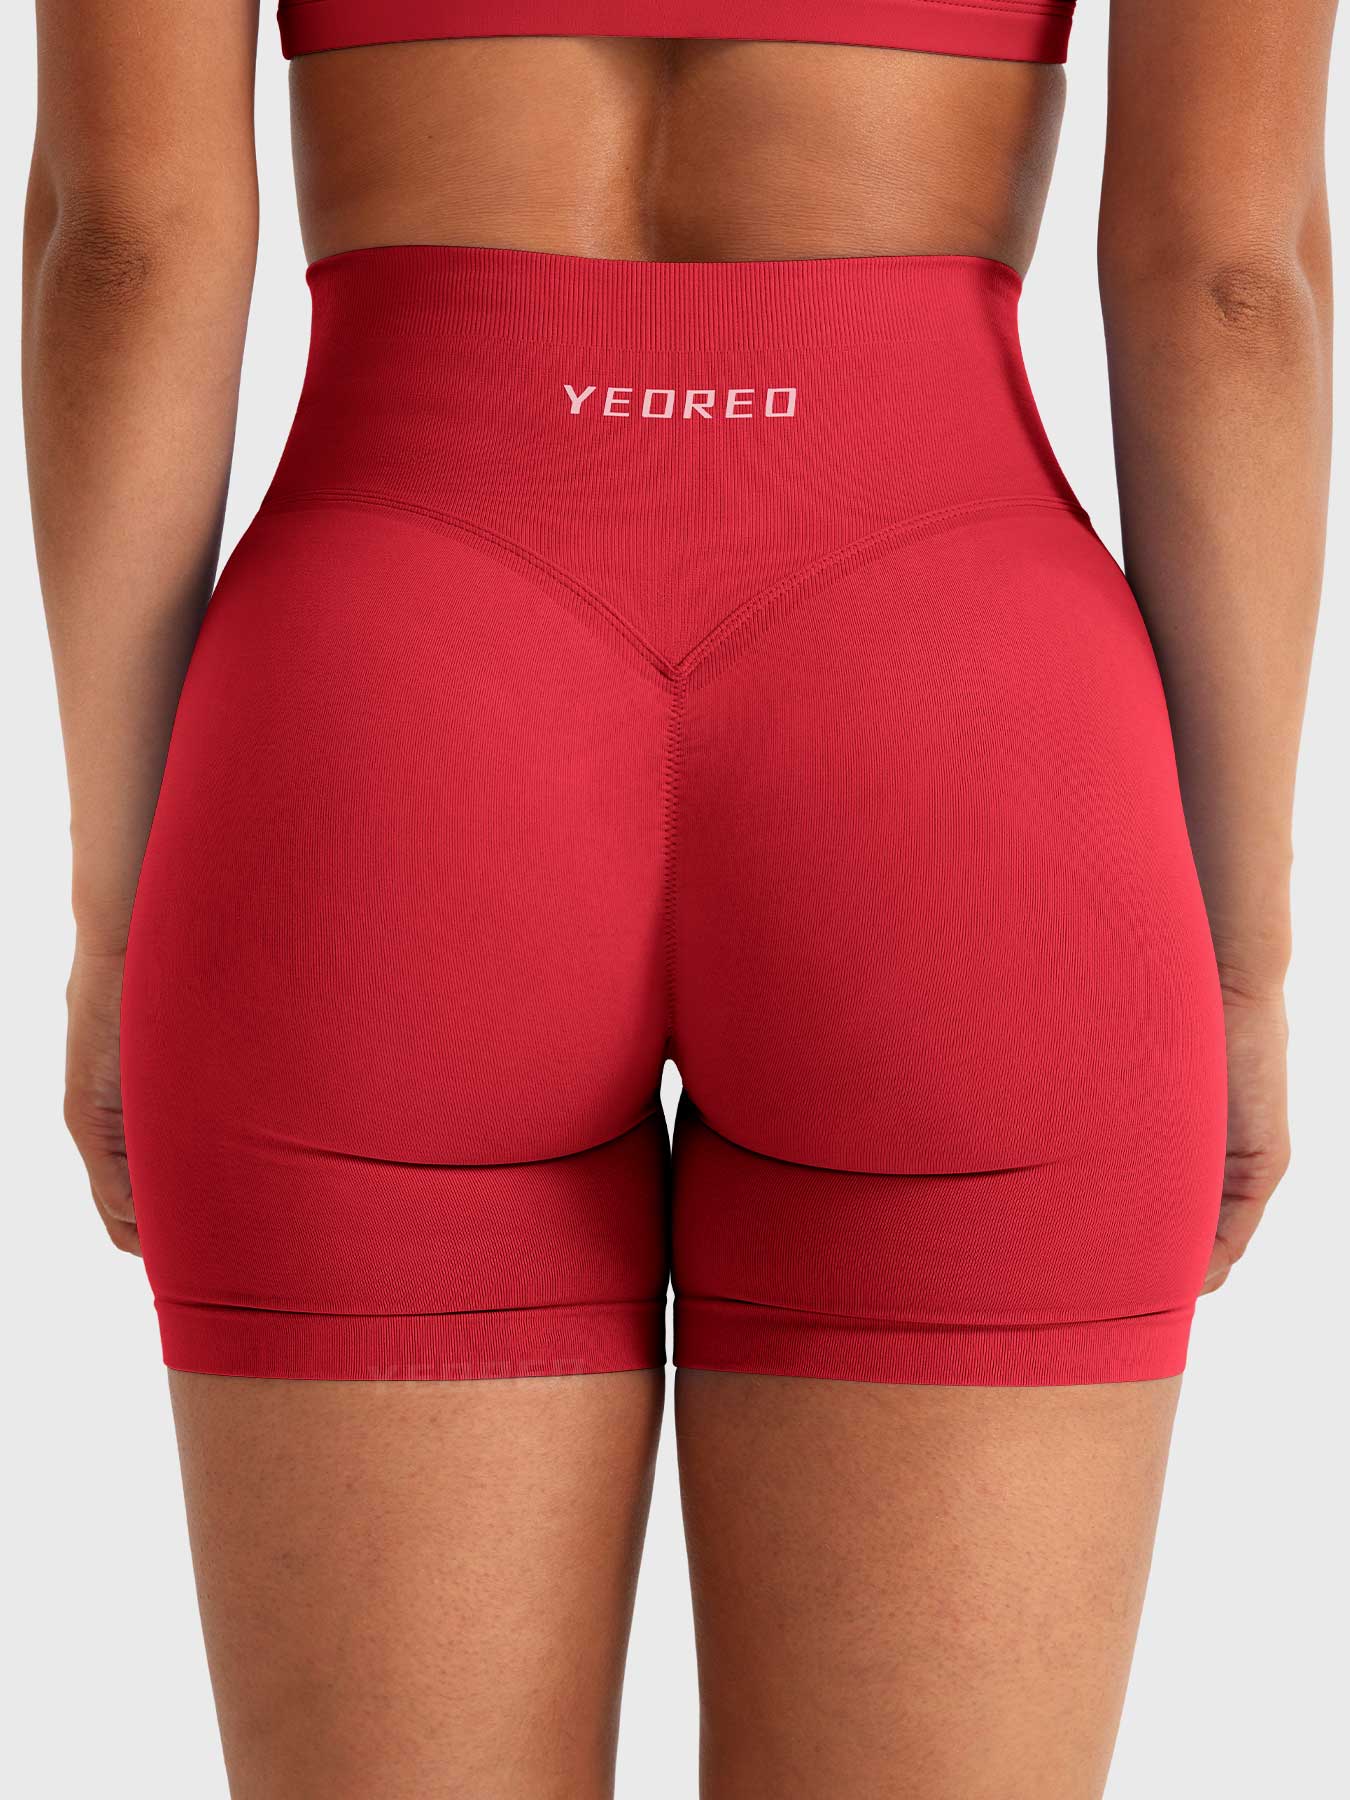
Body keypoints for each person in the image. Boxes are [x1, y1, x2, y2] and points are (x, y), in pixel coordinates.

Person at [24, 2, 1335, 1794]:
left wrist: (125, 915)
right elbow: (1227, 280)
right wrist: (1242, 960)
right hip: (960, 722)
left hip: (390, 698)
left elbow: (124, 244)